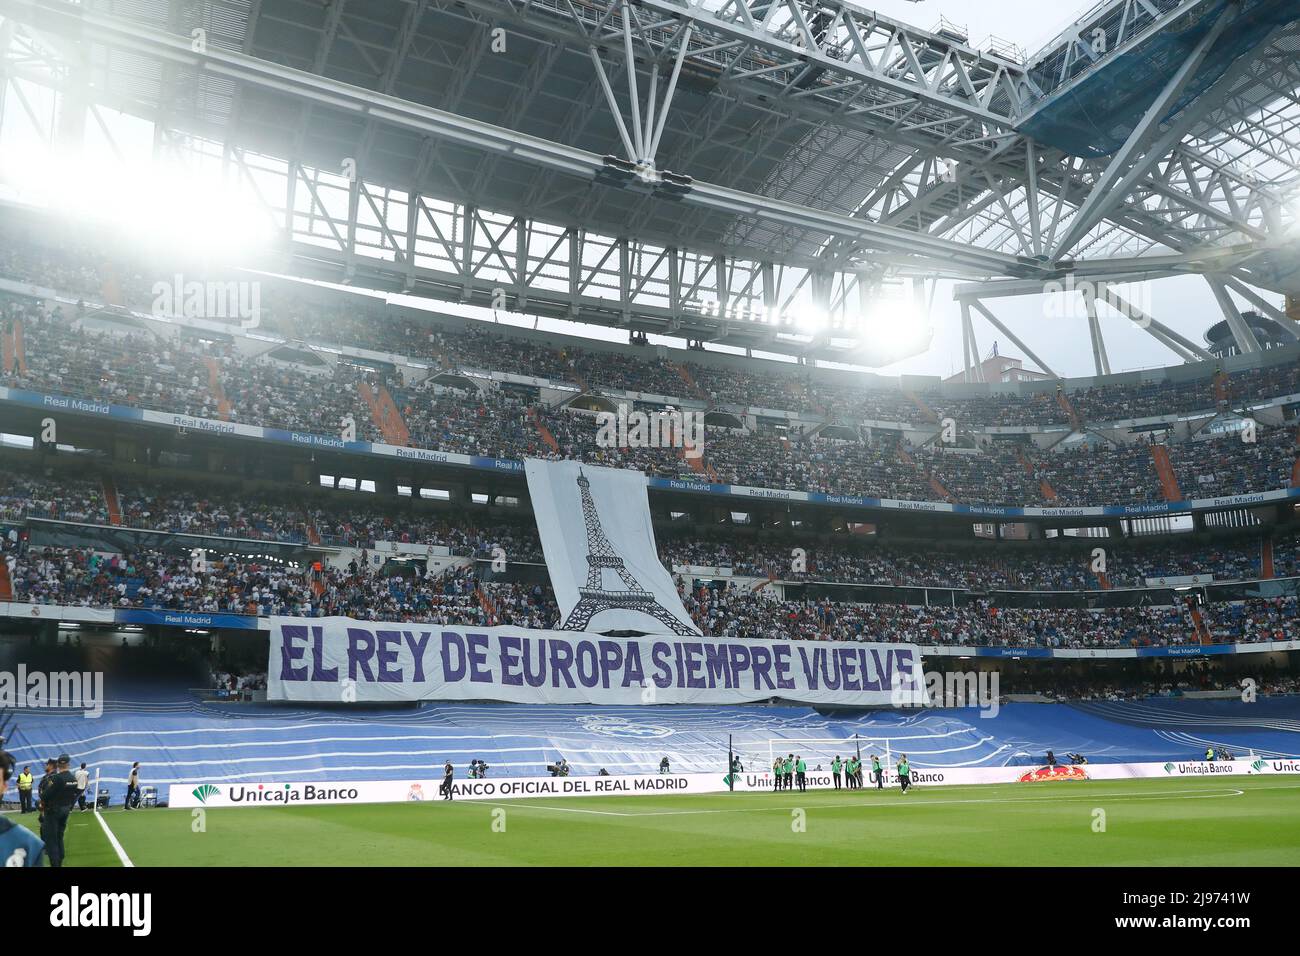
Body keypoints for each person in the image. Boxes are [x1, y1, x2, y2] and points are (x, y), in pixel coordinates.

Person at [0, 751, 45, 866]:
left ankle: (27, 809)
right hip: (22, 790)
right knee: (24, 803)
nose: (28, 770)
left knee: (28, 802)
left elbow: (32, 781)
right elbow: (18, 783)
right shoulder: (28, 843)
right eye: (27, 769)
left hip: (28, 790)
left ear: (4, 787)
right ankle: (24, 810)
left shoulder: (28, 845)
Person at [41, 755, 80, 867]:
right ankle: (60, 859)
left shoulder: (57, 778)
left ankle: (55, 863)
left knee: (51, 838)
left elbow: (45, 795)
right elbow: (74, 795)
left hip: (54, 811)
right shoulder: (73, 779)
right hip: (65, 809)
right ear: (68, 764)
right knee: (59, 836)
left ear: (58, 765)